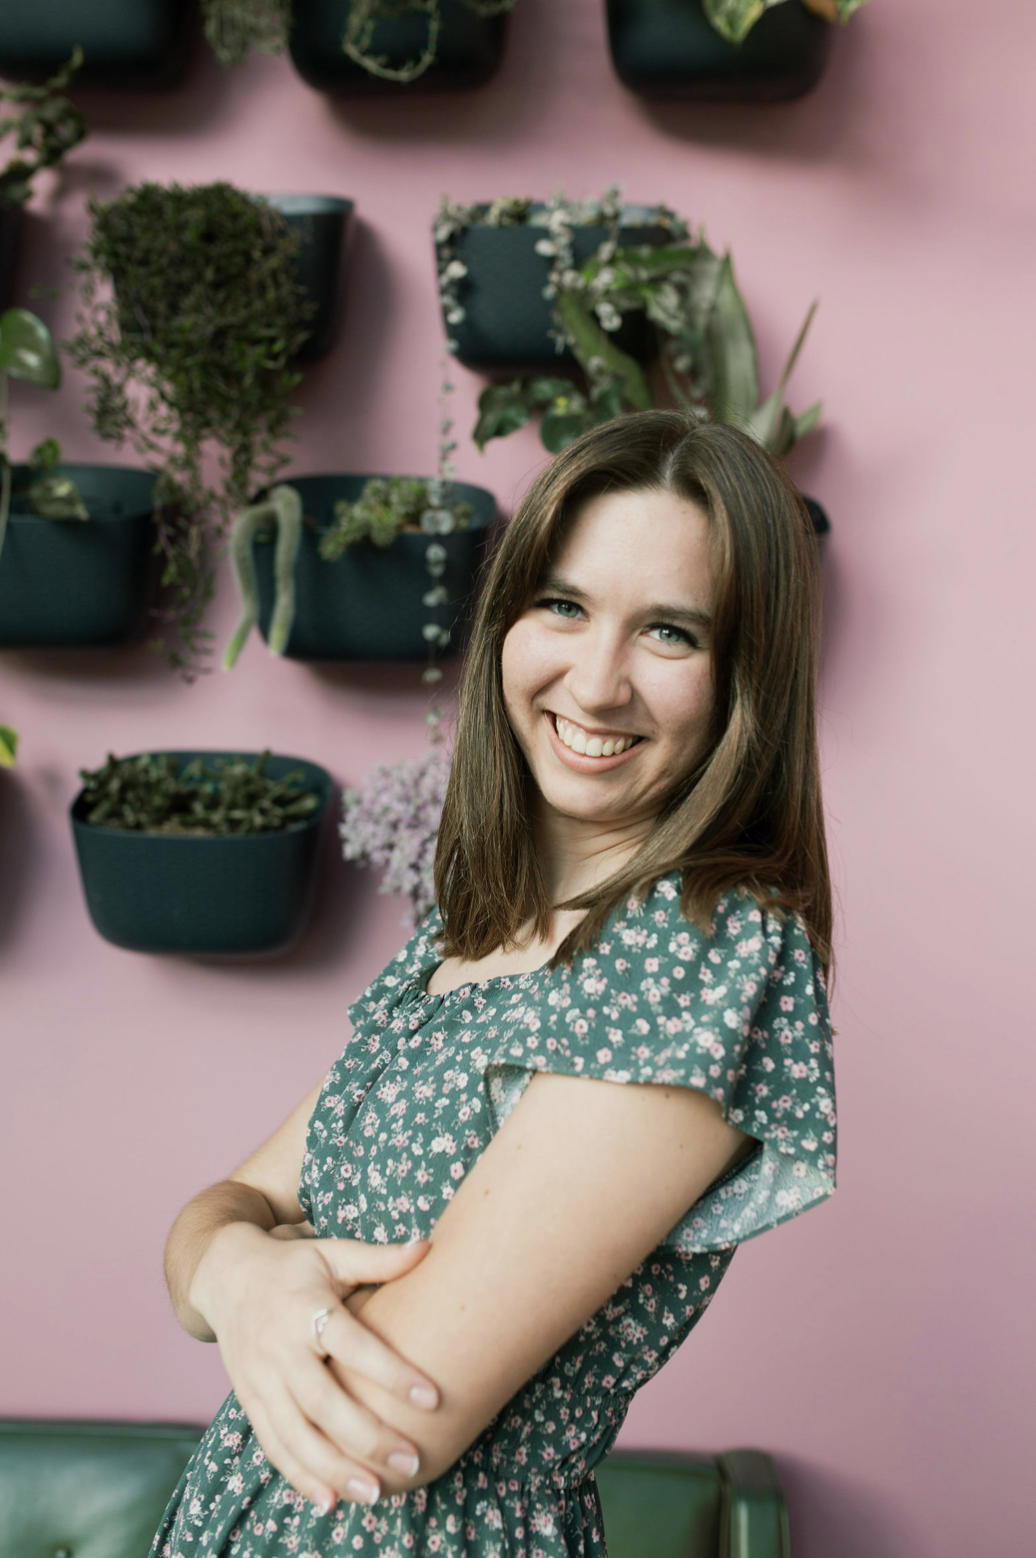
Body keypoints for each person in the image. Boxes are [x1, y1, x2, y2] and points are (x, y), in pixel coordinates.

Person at [154, 412, 837, 1558]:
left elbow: (387, 1419)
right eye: (562, 606)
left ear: (744, 678)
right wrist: (237, 1272)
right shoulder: (467, 936)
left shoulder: (702, 949)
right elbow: (213, 1218)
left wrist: (254, 1281)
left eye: (668, 632)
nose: (597, 681)